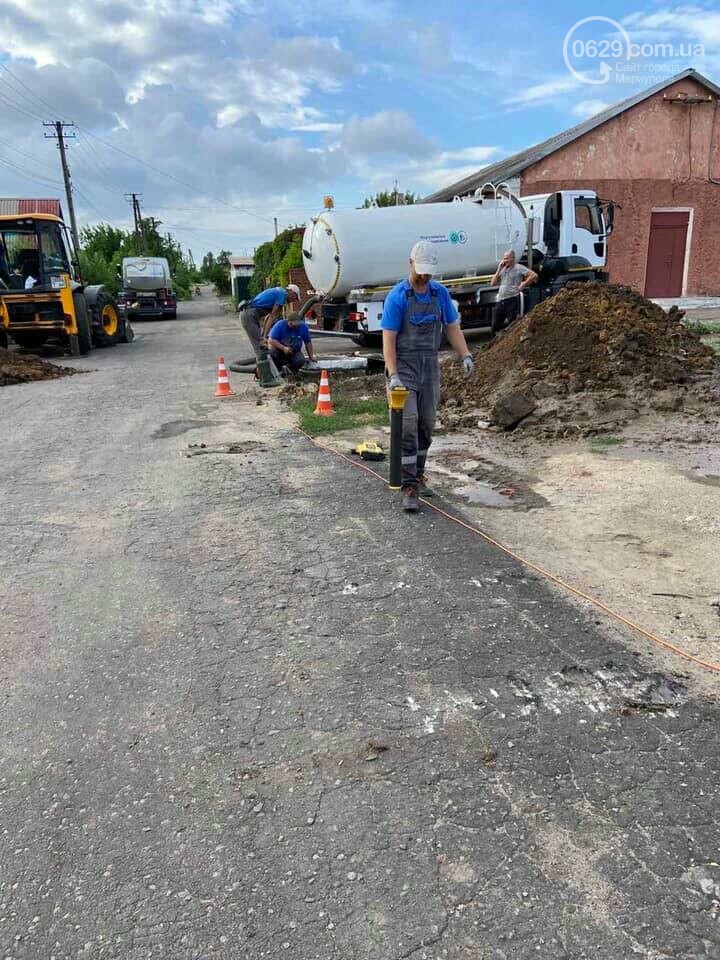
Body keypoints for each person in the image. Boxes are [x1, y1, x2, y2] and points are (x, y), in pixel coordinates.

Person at [382, 240, 474, 514]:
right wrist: (394, 375)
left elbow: (452, 327)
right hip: (404, 367)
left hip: (429, 367)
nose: (424, 276)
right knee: (407, 424)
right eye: (420, 270)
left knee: (426, 424)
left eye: (428, 272)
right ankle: (409, 487)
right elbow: (388, 340)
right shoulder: (398, 297)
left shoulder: (440, 295)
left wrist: (466, 354)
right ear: (411, 264)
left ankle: (418, 474)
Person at [239, 284, 301, 361]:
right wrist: (265, 337)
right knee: (260, 347)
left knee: (262, 345)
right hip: (249, 316)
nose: (293, 300)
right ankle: (263, 370)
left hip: (251, 315)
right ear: (291, 292)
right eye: (295, 297)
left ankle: (264, 367)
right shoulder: (282, 294)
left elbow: (267, 318)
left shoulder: (279, 292)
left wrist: (264, 336)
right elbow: (272, 317)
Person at [490, 250, 537, 336]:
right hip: (501, 300)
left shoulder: (518, 268)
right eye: (504, 259)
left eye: (507, 258)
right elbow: (492, 283)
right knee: (495, 325)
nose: (505, 260)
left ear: (513, 258)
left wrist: (523, 284)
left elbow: (533, 275)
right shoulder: (503, 269)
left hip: (512, 299)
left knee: (513, 324)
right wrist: (499, 269)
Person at [267, 311, 317, 376]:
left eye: (297, 325)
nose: (295, 327)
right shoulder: (280, 325)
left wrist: (311, 356)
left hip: (294, 351)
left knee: (300, 360)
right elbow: (271, 340)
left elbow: (308, 342)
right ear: (288, 321)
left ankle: (289, 372)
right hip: (279, 350)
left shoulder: (303, 327)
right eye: (293, 325)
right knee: (272, 354)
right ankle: (277, 372)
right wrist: (283, 348)